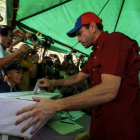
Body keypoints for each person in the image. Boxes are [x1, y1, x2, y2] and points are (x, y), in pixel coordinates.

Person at [14, 12, 140, 140]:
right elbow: (78, 77)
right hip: (100, 121)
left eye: (79, 34)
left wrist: (55, 105)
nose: (78, 40)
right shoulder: (94, 54)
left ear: (92, 26)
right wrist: (52, 83)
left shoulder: (114, 40)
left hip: (119, 127)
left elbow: (109, 90)